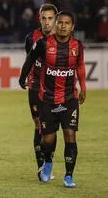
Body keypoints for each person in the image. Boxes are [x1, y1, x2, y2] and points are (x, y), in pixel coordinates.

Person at [19, 11, 86, 188]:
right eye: (60, 23)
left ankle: (69, 176)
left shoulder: (77, 46)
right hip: (47, 99)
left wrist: (84, 88)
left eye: (67, 23)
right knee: (48, 139)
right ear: (57, 24)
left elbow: (80, 67)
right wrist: (22, 77)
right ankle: (47, 161)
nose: (63, 26)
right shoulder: (42, 43)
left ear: (72, 27)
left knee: (70, 134)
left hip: (69, 98)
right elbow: (30, 60)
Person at [24, 4, 58, 178]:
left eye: (50, 18)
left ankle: (48, 161)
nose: (47, 22)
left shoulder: (63, 38)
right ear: (39, 19)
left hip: (55, 89)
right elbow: (29, 61)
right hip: (36, 86)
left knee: (51, 128)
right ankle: (41, 165)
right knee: (38, 125)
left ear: (56, 19)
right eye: (44, 18)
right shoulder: (31, 38)